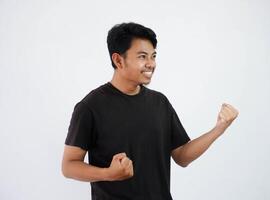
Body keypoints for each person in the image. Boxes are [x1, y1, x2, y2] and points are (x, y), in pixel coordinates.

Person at [61, 22, 239, 200]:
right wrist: (108, 174)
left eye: (153, 56)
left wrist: (218, 129)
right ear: (118, 60)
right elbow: (68, 166)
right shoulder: (90, 107)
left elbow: (182, 156)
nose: (151, 64)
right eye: (142, 57)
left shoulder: (159, 102)